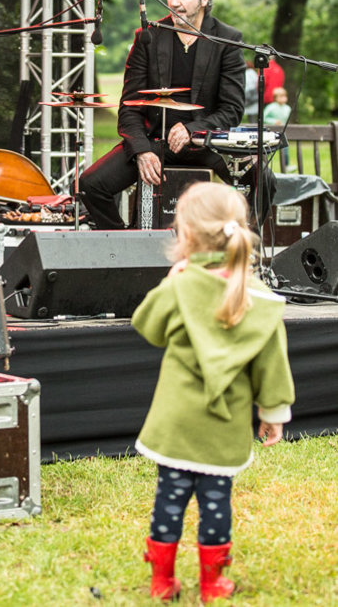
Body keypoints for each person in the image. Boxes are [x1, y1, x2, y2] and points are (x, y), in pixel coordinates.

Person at [131, 181, 295, 602]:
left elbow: (146, 327)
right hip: (223, 426)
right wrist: (273, 414)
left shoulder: (180, 285)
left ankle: (162, 581)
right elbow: (272, 366)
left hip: (175, 423)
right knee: (216, 502)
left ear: (184, 235)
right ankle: (214, 585)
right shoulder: (258, 297)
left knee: (170, 498)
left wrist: (170, 280)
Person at [80, 0, 273, 227]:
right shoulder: (148, 37)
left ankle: (239, 252)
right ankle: (126, 249)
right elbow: (129, 107)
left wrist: (193, 129)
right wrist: (141, 151)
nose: (174, 1)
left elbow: (231, 110)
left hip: (206, 144)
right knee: (91, 184)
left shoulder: (227, 40)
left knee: (265, 180)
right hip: (155, 142)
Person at [263, 86, 292, 167]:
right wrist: (273, 121)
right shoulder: (271, 107)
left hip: (282, 132)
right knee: (268, 149)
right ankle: (264, 163)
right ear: (276, 98)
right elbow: (264, 117)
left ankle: (286, 165)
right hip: (271, 132)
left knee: (285, 148)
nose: (283, 98)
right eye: (281, 96)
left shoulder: (287, 108)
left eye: (284, 96)